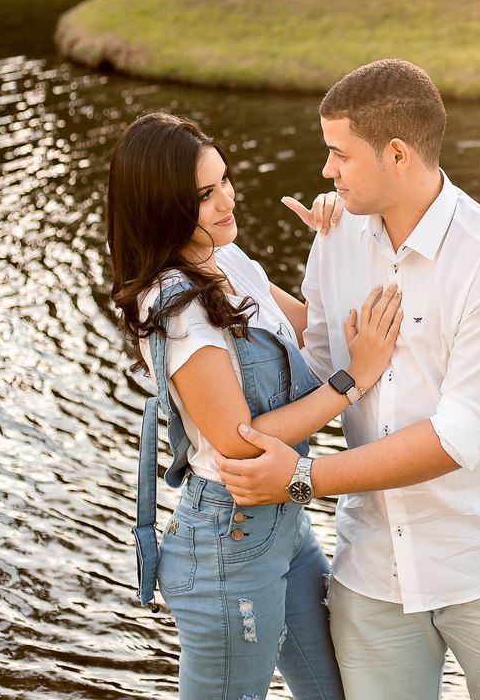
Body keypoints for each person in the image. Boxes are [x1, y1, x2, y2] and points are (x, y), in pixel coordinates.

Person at [217, 59, 480, 700]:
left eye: (339, 155)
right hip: (372, 571)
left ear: (398, 154)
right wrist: (230, 272)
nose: (327, 171)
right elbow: (318, 365)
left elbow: (459, 436)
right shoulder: (336, 236)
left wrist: (299, 479)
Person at [106, 110, 404, 700]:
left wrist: (338, 242)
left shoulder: (228, 259)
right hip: (228, 541)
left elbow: (315, 339)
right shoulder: (177, 309)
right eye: (204, 195)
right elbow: (240, 444)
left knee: (336, 692)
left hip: (285, 526)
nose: (227, 201)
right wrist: (355, 380)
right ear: (162, 207)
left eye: (225, 181)